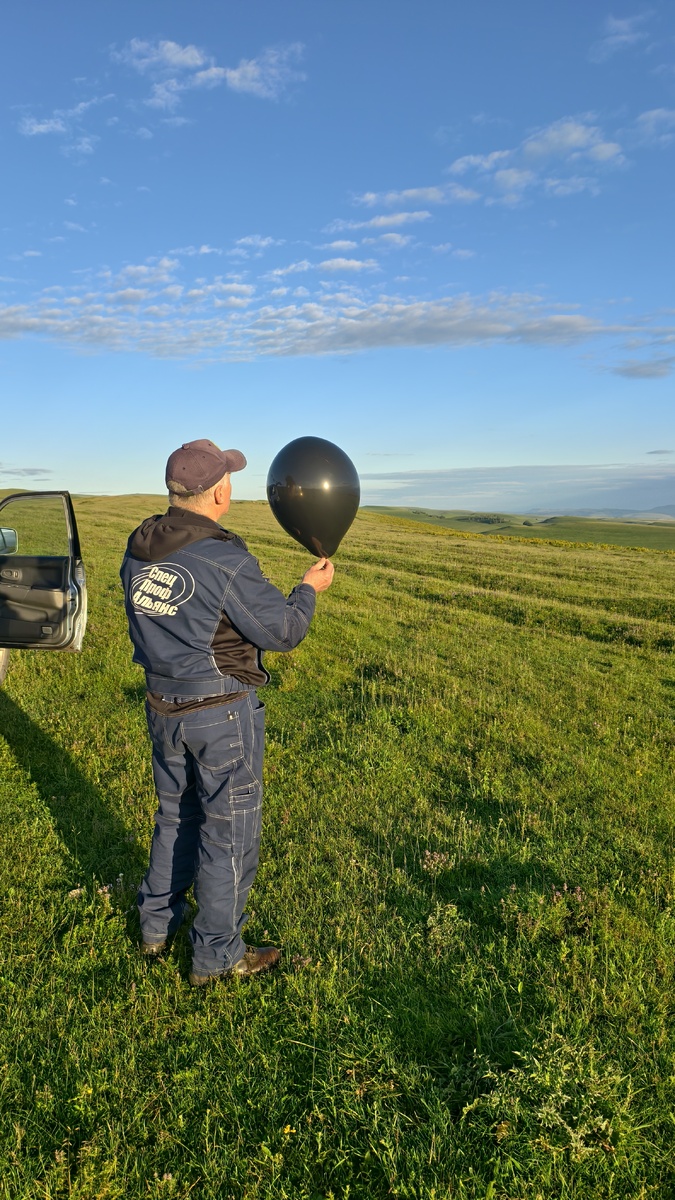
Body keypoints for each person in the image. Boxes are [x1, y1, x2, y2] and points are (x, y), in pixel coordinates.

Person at [120, 439, 333, 985]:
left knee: (174, 817)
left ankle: (155, 928)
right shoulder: (224, 561)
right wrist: (307, 589)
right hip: (218, 714)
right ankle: (217, 956)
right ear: (218, 492)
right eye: (230, 479)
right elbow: (282, 632)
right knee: (229, 831)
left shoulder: (138, 548)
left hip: (161, 706)